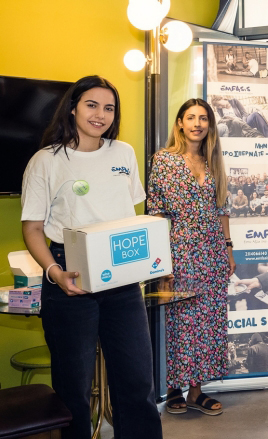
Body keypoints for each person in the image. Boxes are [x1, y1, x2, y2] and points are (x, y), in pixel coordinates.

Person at [20, 76, 162, 438]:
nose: (101, 114)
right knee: (74, 389)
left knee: (136, 381)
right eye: (92, 105)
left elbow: (128, 218)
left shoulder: (123, 154)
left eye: (109, 108)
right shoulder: (46, 161)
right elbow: (33, 228)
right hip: (70, 275)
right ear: (72, 106)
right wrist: (54, 272)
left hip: (121, 278)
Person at [147, 98, 236, 416]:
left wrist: (228, 248)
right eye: (191, 118)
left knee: (209, 322)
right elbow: (156, 214)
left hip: (212, 254)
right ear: (180, 123)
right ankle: (174, 389)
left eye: (204, 119)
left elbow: (222, 207)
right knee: (181, 323)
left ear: (210, 125)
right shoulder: (163, 161)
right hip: (179, 254)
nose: (198, 123)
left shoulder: (214, 161)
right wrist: (159, 260)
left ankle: (197, 391)